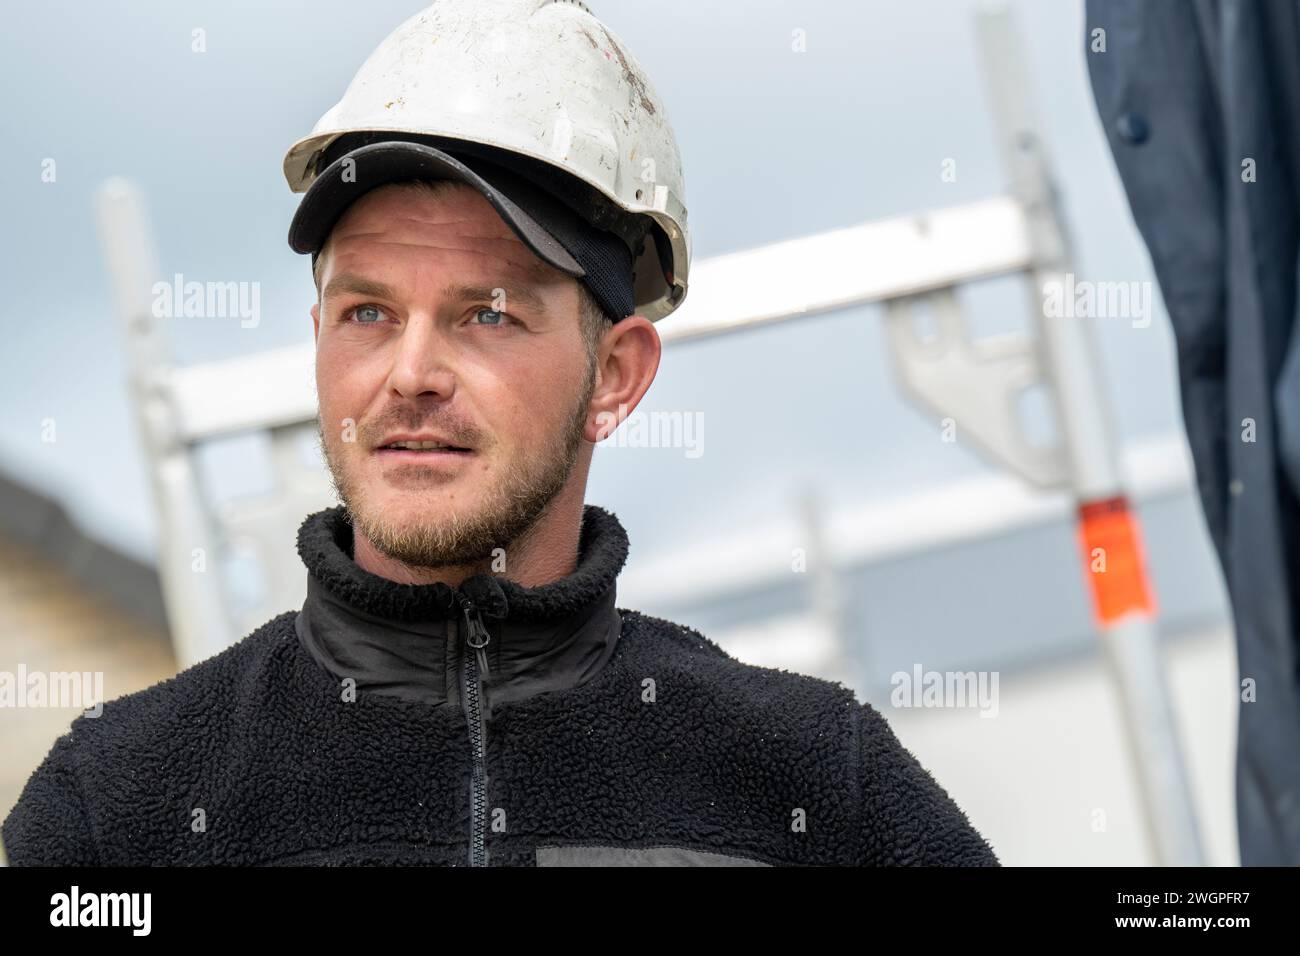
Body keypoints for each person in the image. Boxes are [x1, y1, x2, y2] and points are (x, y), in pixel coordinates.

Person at [1, 0, 997, 867]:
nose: (410, 373)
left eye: (485, 313)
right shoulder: (120, 805)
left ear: (616, 374)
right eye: (367, 313)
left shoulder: (816, 779)